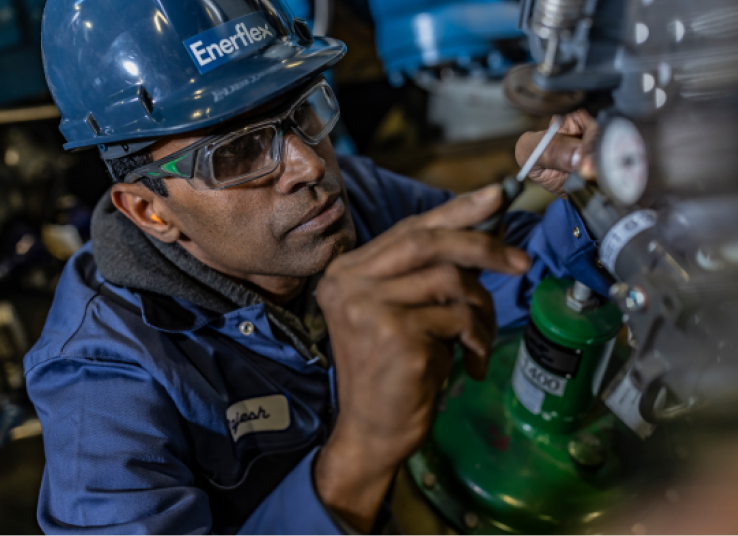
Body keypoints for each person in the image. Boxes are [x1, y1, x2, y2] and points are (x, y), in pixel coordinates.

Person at [25, 0, 606, 533]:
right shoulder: (102, 382)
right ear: (150, 211)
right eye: (237, 153)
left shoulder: (356, 199)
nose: (308, 165)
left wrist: (594, 199)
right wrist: (357, 457)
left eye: (305, 112)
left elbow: (508, 274)